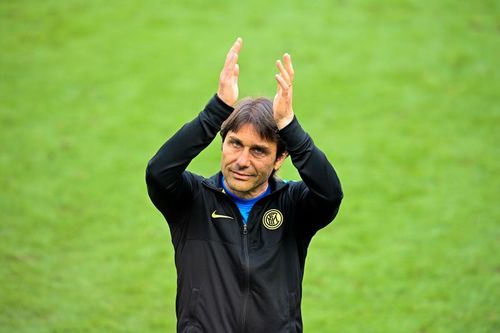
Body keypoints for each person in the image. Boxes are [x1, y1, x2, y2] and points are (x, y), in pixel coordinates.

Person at [146, 37, 343, 333]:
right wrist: (217, 110)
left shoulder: (294, 205)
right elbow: (159, 172)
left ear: (279, 159)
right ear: (222, 143)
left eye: (258, 151)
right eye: (235, 144)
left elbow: (330, 194)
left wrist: (288, 124)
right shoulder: (192, 201)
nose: (242, 160)